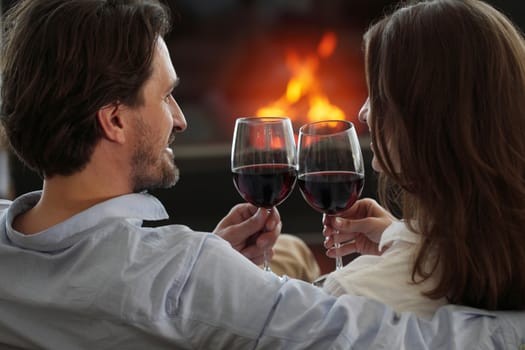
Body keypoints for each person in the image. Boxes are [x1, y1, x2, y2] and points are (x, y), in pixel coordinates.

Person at [0, 0, 524, 349]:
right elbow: (382, 338)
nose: (181, 118)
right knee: (294, 255)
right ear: (113, 120)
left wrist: (219, 261)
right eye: (166, 96)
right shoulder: (185, 279)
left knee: (293, 254)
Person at [322, 0, 525, 319]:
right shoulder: (500, 262)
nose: (363, 113)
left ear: (425, 121)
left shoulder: (351, 298)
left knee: (286, 255)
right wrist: (408, 238)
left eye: (377, 93)